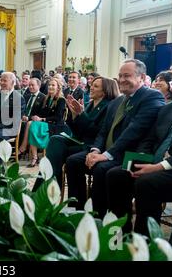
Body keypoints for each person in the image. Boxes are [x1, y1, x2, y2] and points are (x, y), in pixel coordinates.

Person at [65, 59, 165, 217]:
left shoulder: (151, 97)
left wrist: (104, 155)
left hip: (131, 154)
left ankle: (100, 217)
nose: (122, 79)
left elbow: (134, 131)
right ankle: (77, 211)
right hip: (109, 151)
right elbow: (103, 131)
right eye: (120, 75)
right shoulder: (117, 101)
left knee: (101, 168)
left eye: (127, 75)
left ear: (141, 77)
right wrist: (95, 150)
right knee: (73, 161)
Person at [106, 65, 172, 235]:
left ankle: (144, 240)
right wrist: (142, 158)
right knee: (116, 175)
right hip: (155, 164)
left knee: (146, 183)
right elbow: (150, 138)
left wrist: (160, 166)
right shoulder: (169, 109)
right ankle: (120, 233)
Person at [32, 77, 119, 191]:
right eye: (92, 85)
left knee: (57, 152)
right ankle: (50, 186)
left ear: (105, 91)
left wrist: (81, 114)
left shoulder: (108, 106)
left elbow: (96, 132)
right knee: (55, 140)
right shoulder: (90, 104)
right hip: (81, 141)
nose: (91, 87)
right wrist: (74, 115)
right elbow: (78, 131)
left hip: (92, 146)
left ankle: (46, 188)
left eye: (96, 86)